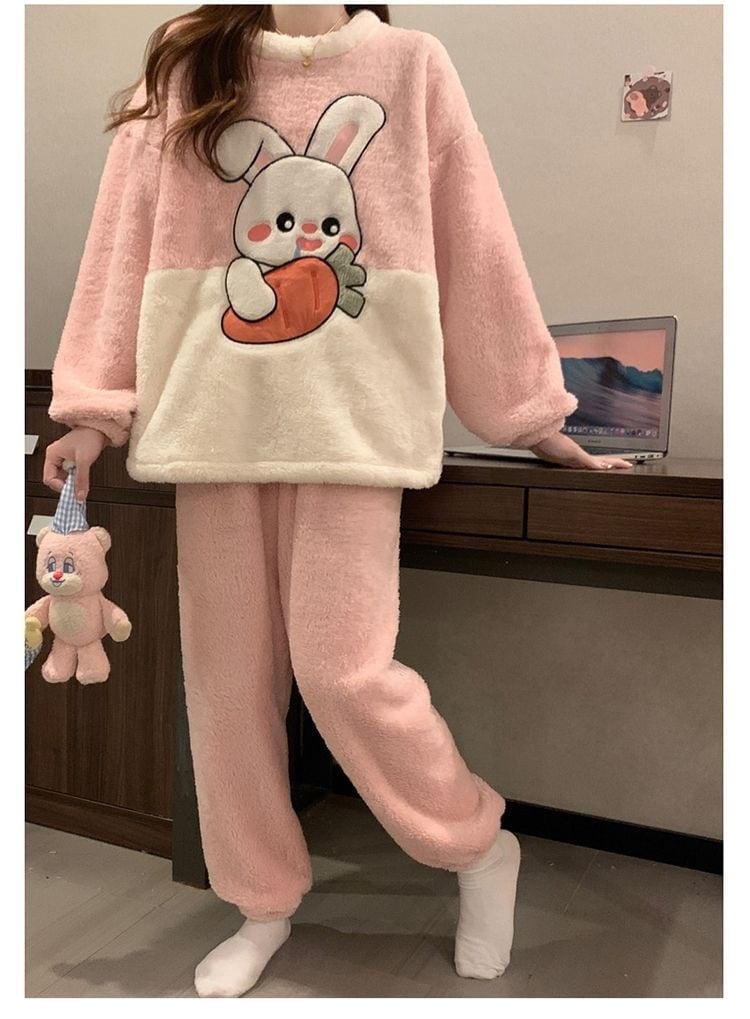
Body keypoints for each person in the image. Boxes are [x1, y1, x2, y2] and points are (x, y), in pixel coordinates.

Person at [42, 4, 633, 999]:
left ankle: (478, 845)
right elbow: (120, 243)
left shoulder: (409, 65)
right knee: (226, 690)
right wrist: (93, 412)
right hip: (216, 426)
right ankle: (261, 901)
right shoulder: (191, 64)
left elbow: (474, 238)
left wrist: (534, 414)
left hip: (353, 428)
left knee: (343, 671)